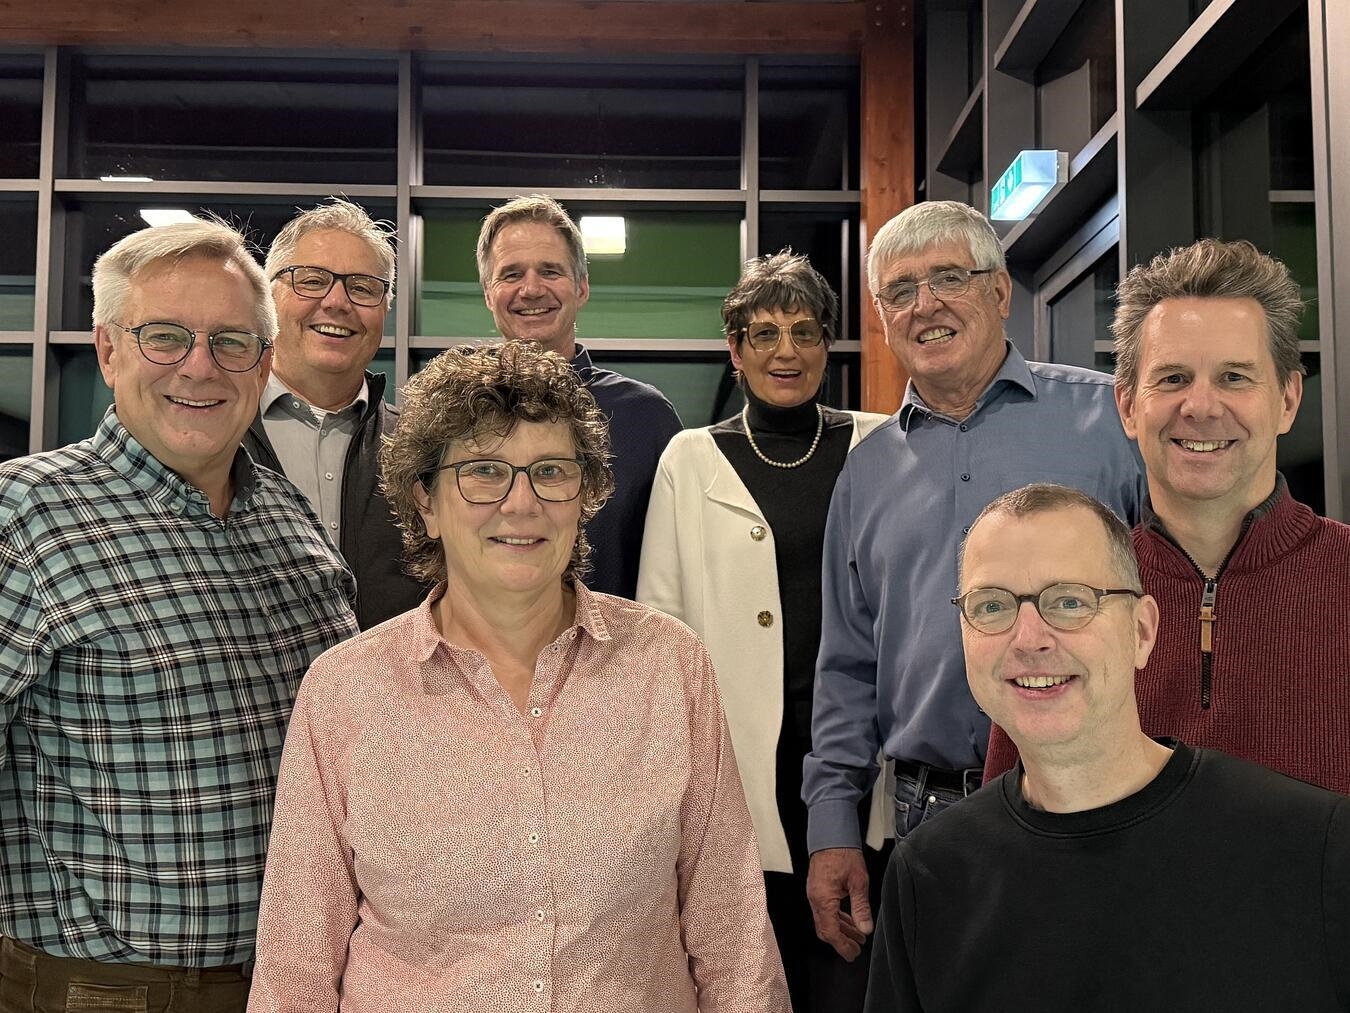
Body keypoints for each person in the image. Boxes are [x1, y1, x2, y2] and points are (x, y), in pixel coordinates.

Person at [247, 341, 789, 1012]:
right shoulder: (345, 692)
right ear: (426, 501)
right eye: (483, 472)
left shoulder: (668, 666)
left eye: (551, 471)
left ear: (585, 493)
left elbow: (732, 935)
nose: (521, 502)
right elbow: (295, 967)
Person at [0, 219, 359, 1010]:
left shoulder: (288, 520)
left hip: (299, 980)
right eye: (165, 336)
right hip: (103, 992)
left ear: (264, 362)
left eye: (232, 341)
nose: (200, 367)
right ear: (107, 350)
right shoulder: (24, 514)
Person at [802, 200, 1145, 963]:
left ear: (998, 294)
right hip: (927, 816)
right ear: (884, 319)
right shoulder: (864, 472)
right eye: (900, 290)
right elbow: (847, 666)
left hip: (1099, 795)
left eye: (949, 277)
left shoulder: (1112, 424)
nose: (925, 304)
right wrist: (832, 825)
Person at [865, 484, 1350, 1011]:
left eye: (1070, 601)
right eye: (992, 605)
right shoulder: (929, 874)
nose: (1029, 638)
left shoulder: (1313, 846)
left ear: (1142, 631)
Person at [984, 239, 1350, 794]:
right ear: (1128, 406)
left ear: (1289, 400)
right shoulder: (1059, 600)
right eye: (1174, 378)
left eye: (1234, 377)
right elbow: (1009, 829)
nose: (1201, 407)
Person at [638, 251, 889, 1013]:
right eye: (765, 332)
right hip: (743, 768)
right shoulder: (690, 458)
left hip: (857, 762)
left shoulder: (881, 446)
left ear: (827, 344)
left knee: (857, 979)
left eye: (806, 331)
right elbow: (661, 632)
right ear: (736, 349)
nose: (787, 350)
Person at [476, 194, 683, 599]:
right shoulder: (456, 416)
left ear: (582, 287)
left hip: (622, 657)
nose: (531, 289)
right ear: (488, 293)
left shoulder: (646, 418)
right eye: (511, 274)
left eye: (550, 271)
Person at [243, 198, 427, 629]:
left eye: (362, 287)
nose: (337, 302)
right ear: (269, 296)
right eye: (312, 280)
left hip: (392, 695)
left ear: (385, 308)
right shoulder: (213, 436)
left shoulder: (422, 450)